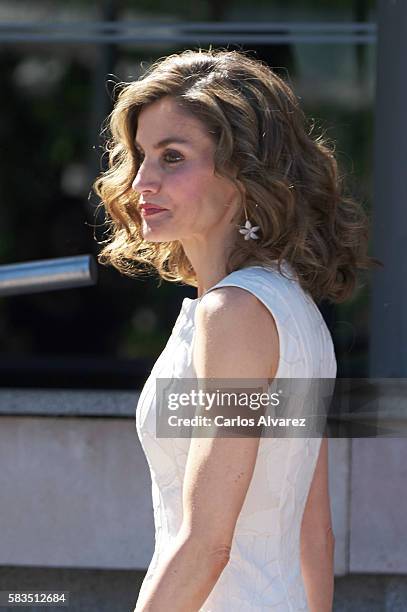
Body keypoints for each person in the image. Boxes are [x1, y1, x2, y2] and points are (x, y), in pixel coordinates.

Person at [93, 49, 375, 611]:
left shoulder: (236, 316)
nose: (142, 180)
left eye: (172, 157)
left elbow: (206, 544)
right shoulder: (287, 304)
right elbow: (314, 534)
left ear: (243, 171)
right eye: (141, 155)